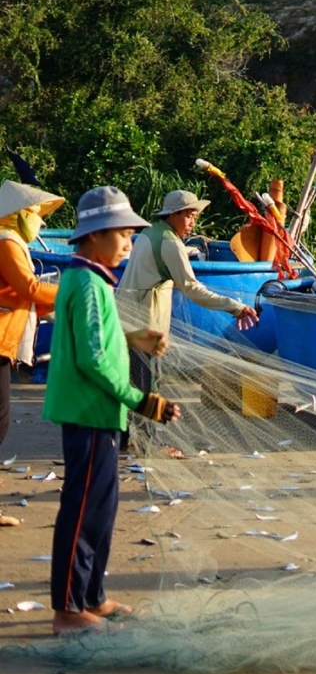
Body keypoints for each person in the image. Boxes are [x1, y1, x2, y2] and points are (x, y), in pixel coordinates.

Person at [44, 187, 179, 636]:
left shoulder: (91, 281)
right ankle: (67, 609)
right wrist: (141, 400)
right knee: (82, 511)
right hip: (89, 411)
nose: (128, 243)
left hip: (101, 415)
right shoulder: (85, 283)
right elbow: (92, 359)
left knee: (101, 509)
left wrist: (134, 338)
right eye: (122, 234)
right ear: (95, 236)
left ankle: (93, 597)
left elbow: (99, 340)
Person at [118, 191, 256, 451]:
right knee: (146, 383)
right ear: (173, 215)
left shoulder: (149, 233)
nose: (193, 221)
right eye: (189, 215)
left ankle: (127, 438)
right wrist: (235, 307)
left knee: (135, 381)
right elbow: (192, 289)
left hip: (127, 317)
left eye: (194, 215)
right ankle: (144, 441)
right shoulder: (169, 242)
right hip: (144, 323)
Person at [0, 181, 64, 450]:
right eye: (35, 215)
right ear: (18, 214)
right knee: (0, 414)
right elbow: (30, 287)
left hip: (6, 336)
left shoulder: (11, 241)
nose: (39, 223)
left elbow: (27, 298)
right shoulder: (6, 243)